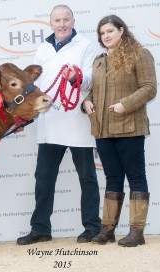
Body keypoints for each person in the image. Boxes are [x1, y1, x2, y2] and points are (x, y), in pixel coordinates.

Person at [16, 4, 102, 245]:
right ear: (51, 23)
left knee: (87, 177)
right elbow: (34, 88)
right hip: (49, 122)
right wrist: (24, 115)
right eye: (57, 20)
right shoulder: (43, 48)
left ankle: (93, 227)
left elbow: (92, 81)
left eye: (66, 20)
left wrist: (76, 77)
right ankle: (40, 228)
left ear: (73, 22)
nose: (62, 24)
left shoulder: (87, 46)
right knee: (43, 178)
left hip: (77, 121)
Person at [83, 15, 157, 247]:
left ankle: (137, 232)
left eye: (110, 31)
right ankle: (108, 230)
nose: (105, 36)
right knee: (112, 178)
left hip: (129, 127)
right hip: (103, 129)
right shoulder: (98, 60)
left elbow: (150, 88)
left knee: (136, 177)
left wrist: (126, 104)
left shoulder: (139, 53)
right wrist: (86, 102)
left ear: (121, 30)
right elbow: (93, 90)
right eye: (102, 33)